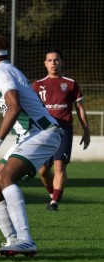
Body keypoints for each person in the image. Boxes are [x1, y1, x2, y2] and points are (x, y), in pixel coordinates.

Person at [0, 33, 64, 256]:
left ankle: (25, 239)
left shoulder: (1, 73)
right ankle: (12, 241)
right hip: (28, 135)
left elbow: (14, 107)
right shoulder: (9, 69)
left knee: (6, 178)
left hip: (42, 133)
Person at [32, 49, 90, 211]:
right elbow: (32, 110)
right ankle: (53, 195)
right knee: (43, 170)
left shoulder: (70, 83)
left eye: (56, 60)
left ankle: (54, 202)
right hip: (44, 132)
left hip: (64, 130)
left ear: (62, 62)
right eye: (49, 60)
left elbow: (79, 108)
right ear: (45, 64)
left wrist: (86, 130)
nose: (53, 63)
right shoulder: (38, 85)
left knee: (59, 166)